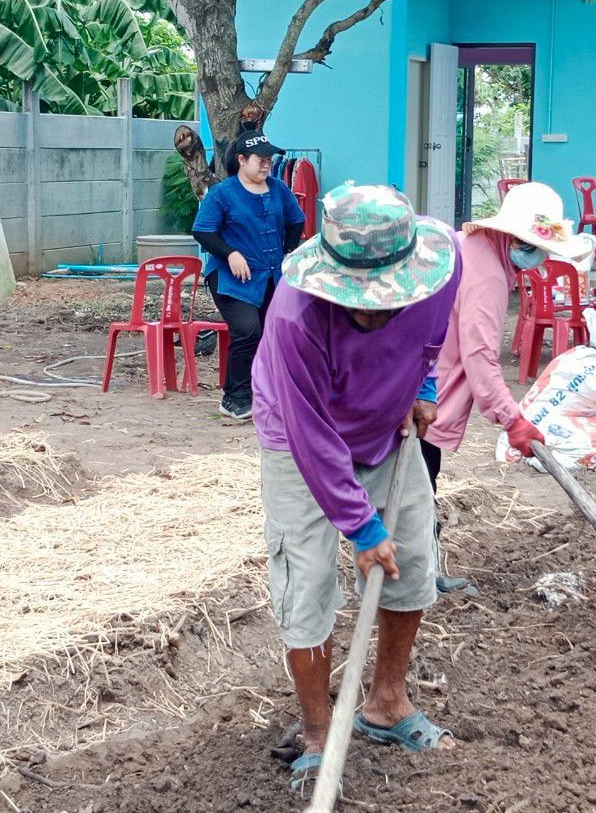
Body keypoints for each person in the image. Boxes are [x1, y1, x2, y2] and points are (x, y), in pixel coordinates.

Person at [251, 183, 460, 795]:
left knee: (414, 561)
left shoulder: (443, 259)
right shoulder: (293, 314)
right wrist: (362, 527)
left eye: (384, 300)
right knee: (308, 583)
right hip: (300, 438)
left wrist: (423, 386)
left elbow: (435, 331)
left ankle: (385, 704)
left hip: (386, 425)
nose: (371, 314)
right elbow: (311, 436)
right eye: (358, 302)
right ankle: (317, 735)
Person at [421, 183, 595, 586]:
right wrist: (511, 418)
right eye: (536, 247)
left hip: (424, 379)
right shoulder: (487, 274)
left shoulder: (477, 248)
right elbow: (479, 356)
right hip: (425, 390)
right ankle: (415, 578)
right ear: (515, 238)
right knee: (416, 485)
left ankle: (422, 571)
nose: (539, 257)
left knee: (418, 483)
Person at [192, 130, 306, 419]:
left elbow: (296, 220)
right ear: (242, 160)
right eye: (261, 160)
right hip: (231, 278)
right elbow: (202, 231)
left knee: (276, 332)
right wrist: (230, 252)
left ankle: (267, 392)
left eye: (269, 160)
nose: (267, 165)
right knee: (248, 330)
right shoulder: (222, 193)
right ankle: (234, 398)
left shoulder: (279, 189)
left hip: (270, 275)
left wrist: (289, 251)